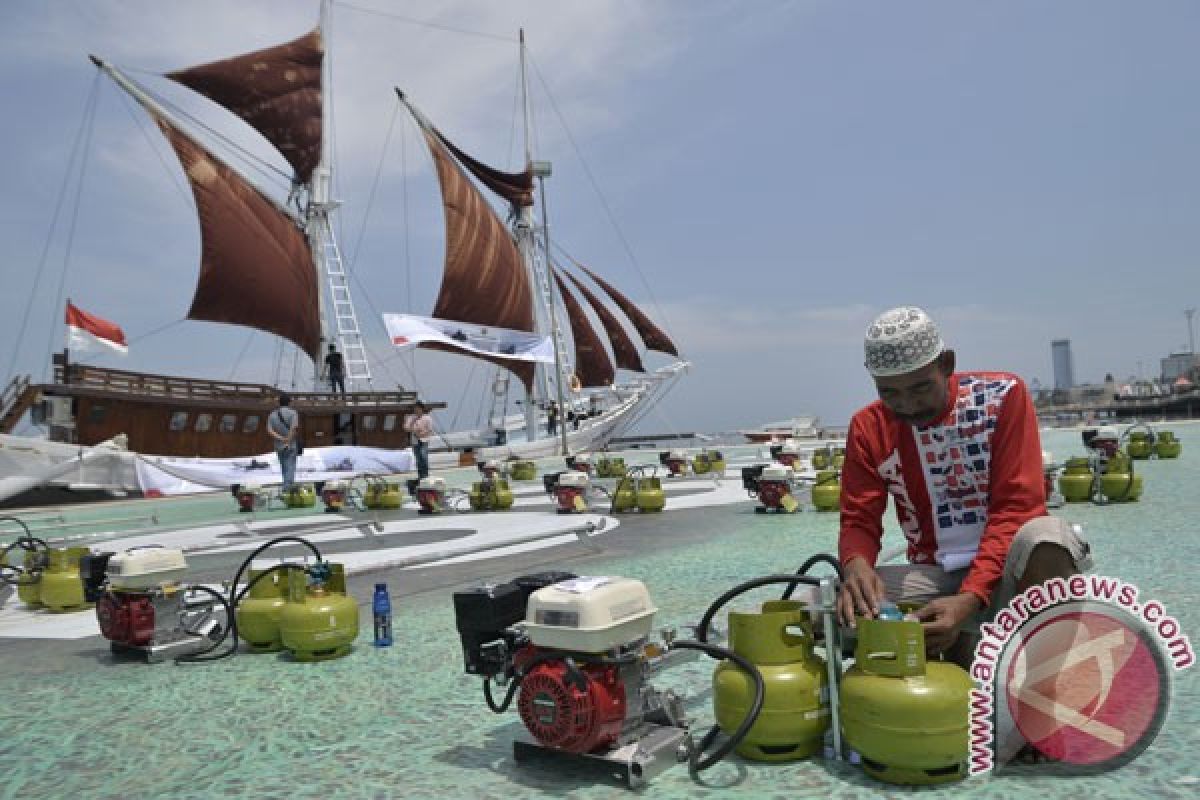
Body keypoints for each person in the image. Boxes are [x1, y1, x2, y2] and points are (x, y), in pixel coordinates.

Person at [837, 307, 1092, 664]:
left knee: (1047, 538)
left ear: (946, 364)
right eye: (890, 393)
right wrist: (856, 566)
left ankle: (1042, 674)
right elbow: (859, 519)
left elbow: (1016, 508)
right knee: (822, 609)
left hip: (1010, 574)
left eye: (921, 387)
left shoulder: (1002, 398)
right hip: (935, 577)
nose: (908, 405)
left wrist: (969, 599)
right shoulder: (868, 427)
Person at [267, 392, 300, 492]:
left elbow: (270, 430)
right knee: (290, 466)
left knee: (284, 467)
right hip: (291, 445)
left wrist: (281, 439)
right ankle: (287, 489)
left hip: (278, 445)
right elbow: (293, 429)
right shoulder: (293, 413)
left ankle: (286, 487)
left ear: (279, 403)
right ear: (289, 403)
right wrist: (287, 440)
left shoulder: (272, 415)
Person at [405, 402, 434, 479]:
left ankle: (426, 474)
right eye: (415, 409)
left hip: (424, 440)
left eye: (417, 409)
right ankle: (421, 475)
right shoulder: (411, 418)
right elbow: (406, 428)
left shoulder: (427, 418)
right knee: (418, 458)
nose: (416, 410)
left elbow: (430, 430)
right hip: (415, 441)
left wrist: (422, 434)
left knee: (423, 455)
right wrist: (413, 424)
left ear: (421, 409)